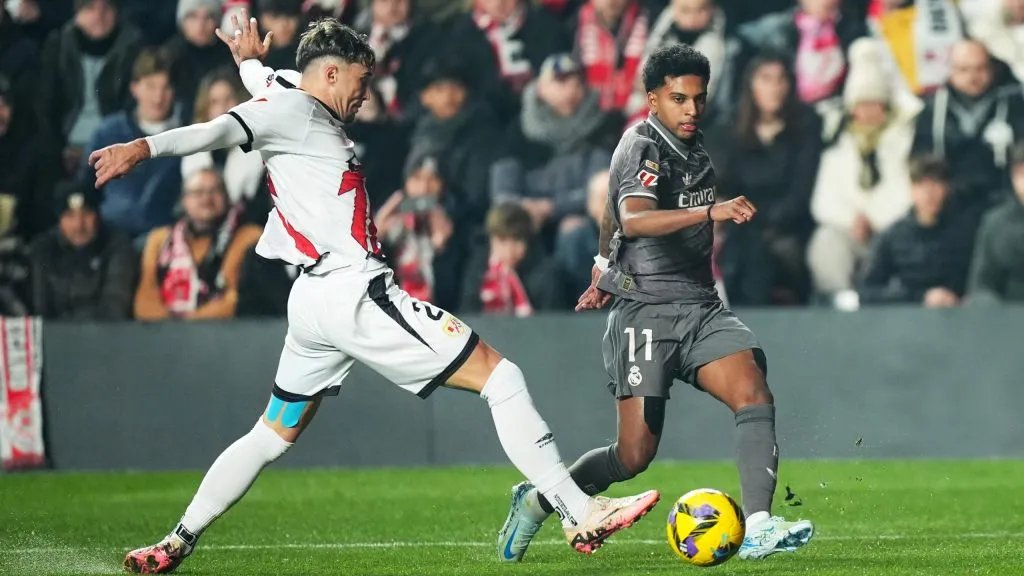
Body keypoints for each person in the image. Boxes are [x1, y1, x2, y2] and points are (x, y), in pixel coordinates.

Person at [89, 14, 659, 574]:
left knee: (271, 432)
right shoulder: (288, 108)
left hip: (312, 305)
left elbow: (267, 83)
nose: (366, 96)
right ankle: (578, 509)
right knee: (501, 377)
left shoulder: (290, 89)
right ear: (332, 75)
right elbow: (219, 129)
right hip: (353, 293)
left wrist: (249, 61)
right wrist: (142, 147)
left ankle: (176, 540)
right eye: (361, 82)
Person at [496, 43, 814, 563]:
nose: (691, 109)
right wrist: (710, 211)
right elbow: (637, 218)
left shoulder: (696, 150)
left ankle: (757, 525)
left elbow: (610, 215)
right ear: (652, 99)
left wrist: (602, 268)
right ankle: (536, 500)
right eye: (678, 98)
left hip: (701, 307)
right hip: (645, 312)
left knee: (754, 393)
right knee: (634, 455)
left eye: (698, 99)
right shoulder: (642, 146)